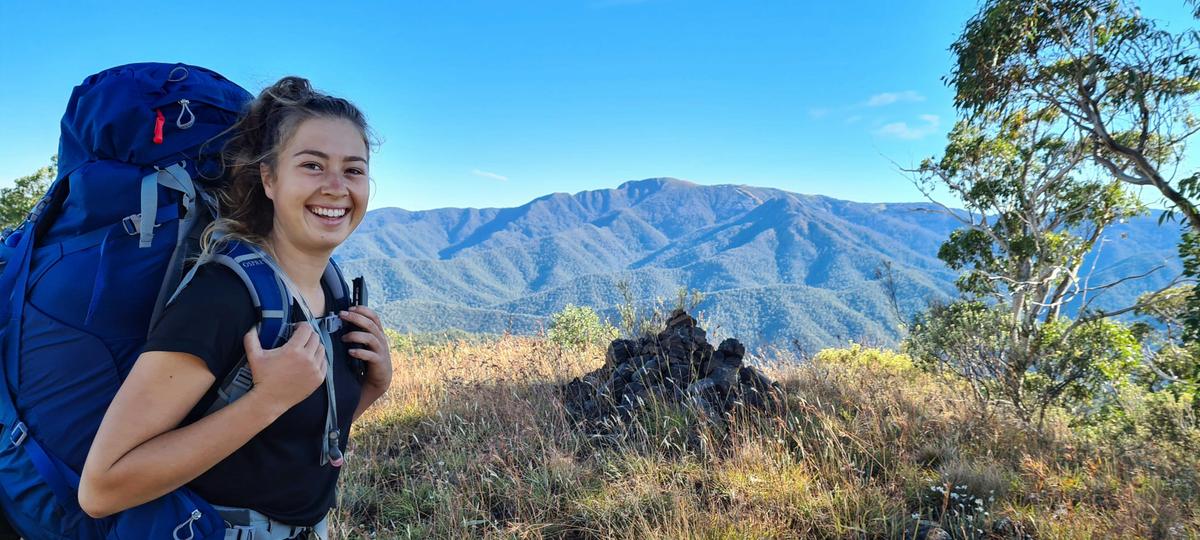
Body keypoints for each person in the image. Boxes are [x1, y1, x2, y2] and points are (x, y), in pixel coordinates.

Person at [76, 76, 393, 539]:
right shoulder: (223, 296)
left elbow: (289, 442)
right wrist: (267, 399)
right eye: (312, 165)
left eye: (353, 169)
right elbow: (102, 489)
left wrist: (373, 387)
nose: (335, 187)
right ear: (269, 178)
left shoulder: (332, 291)